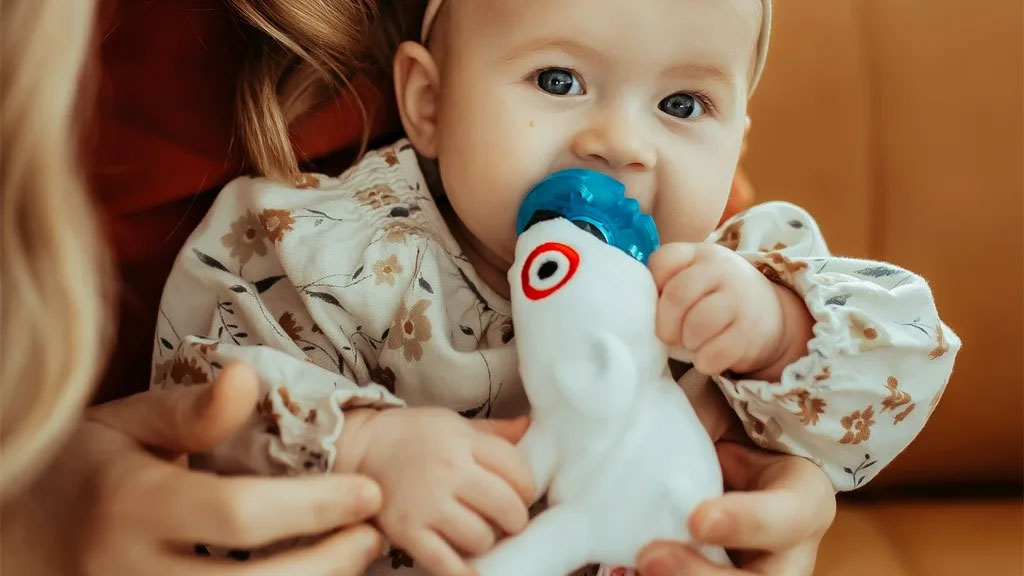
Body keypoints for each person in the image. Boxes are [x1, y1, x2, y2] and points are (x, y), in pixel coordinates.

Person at [151, 0, 960, 575]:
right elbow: (198, 389)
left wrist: (780, 333)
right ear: (429, 102)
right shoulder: (339, 252)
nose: (620, 143)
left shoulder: (723, 278)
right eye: (559, 80)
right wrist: (362, 447)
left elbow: (906, 364)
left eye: (683, 103)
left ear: (738, 139)